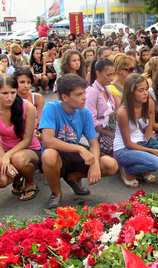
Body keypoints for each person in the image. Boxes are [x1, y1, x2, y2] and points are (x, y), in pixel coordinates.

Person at [39, 74, 118, 209]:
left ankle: (73, 176)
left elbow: (93, 143)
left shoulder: (84, 112)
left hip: (73, 153)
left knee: (111, 165)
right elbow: (48, 141)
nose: (84, 98)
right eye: (79, 94)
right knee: (48, 155)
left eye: (84, 93)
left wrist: (95, 164)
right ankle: (56, 193)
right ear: (64, 97)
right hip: (58, 154)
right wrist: (80, 149)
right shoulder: (50, 108)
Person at [114, 73, 158, 187]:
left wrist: (157, 145)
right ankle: (127, 171)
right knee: (155, 162)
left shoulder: (149, 104)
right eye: (141, 90)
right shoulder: (123, 112)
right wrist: (150, 151)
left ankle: (141, 169)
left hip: (143, 143)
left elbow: (149, 132)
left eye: (146, 89)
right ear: (130, 92)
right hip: (124, 150)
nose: (145, 93)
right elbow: (128, 143)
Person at [0, 74, 41, 201]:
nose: (9, 97)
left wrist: (7, 157)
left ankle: (29, 182)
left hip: (30, 150)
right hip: (5, 150)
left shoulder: (26, 107)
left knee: (18, 159)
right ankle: (16, 176)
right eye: (4, 93)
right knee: (2, 181)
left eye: (12, 92)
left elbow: (27, 140)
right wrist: (3, 159)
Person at [85, 58, 116, 157]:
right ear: (98, 73)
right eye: (108, 75)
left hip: (110, 131)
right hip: (98, 135)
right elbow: (90, 119)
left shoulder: (107, 90)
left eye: (113, 74)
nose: (111, 78)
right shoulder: (92, 91)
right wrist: (109, 133)